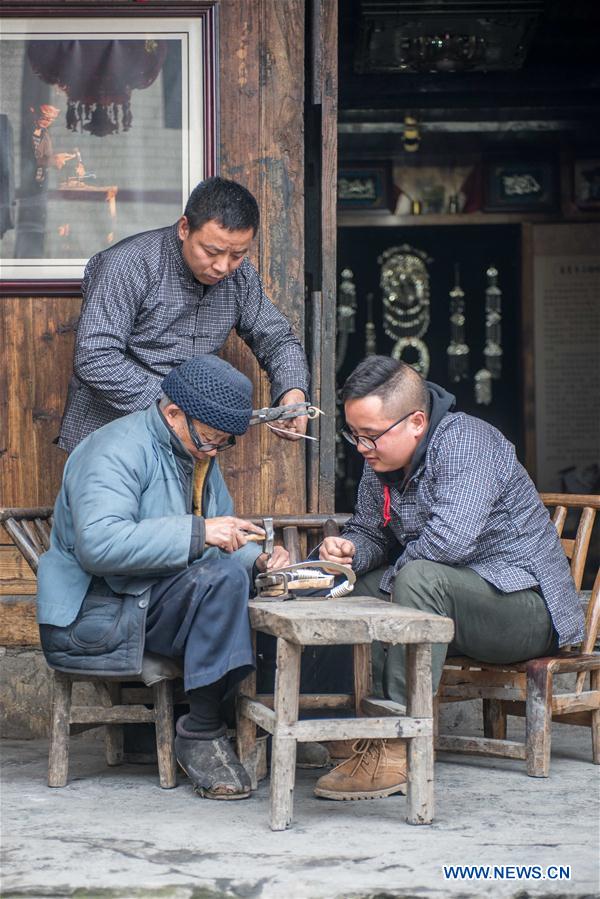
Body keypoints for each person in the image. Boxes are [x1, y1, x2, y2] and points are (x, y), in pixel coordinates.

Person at [314, 356, 584, 801]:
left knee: (417, 578)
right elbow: (369, 529)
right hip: (456, 602)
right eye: (354, 435)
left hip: (527, 608)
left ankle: (400, 746)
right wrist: (349, 552)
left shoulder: (466, 443)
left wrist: (388, 589)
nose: (361, 447)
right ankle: (364, 729)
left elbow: (449, 543)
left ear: (416, 422)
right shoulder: (380, 455)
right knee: (345, 587)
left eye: (371, 435)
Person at [38, 354, 289, 800]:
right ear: (173, 413)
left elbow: (218, 533)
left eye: (222, 444)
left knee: (248, 579)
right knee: (221, 581)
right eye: (209, 440)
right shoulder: (113, 450)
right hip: (100, 609)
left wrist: (258, 560)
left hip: (147, 598)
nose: (213, 451)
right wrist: (203, 533)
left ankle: (261, 722)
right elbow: (100, 547)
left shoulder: (194, 451)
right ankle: (202, 729)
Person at [57, 176, 310, 453]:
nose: (222, 266)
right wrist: (178, 404)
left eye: (237, 255)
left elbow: (278, 340)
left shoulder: (241, 279)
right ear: (184, 228)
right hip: (110, 437)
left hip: (190, 442)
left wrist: (292, 391)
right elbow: (95, 356)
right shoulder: (128, 264)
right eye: (211, 251)